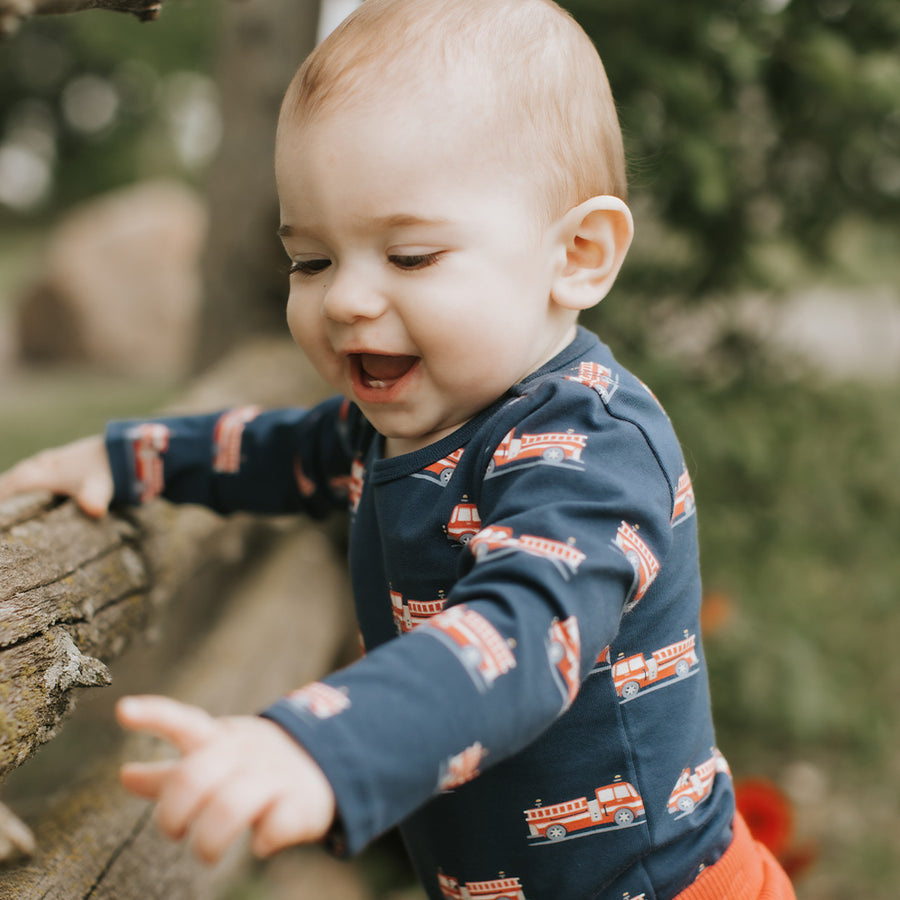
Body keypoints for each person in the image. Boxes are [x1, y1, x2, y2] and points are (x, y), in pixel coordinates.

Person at [0, 1, 796, 897]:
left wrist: (324, 745)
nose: (345, 301)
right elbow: (274, 450)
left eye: (410, 256)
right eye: (310, 261)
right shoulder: (401, 426)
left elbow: (522, 638)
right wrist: (130, 459)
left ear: (578, 253)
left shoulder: (592, 452)